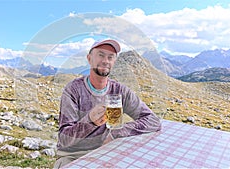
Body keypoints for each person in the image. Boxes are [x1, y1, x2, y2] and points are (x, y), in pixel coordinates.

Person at [54, 39, 161, 168]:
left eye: (110, 57)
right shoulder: (73, 90)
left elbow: (153, 121)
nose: (106, 61)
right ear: (89, 58)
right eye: (100, 55)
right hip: (74, 155)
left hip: (109, 150)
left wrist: (116, 132)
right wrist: (89, 121)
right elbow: (64, 140)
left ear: (114, 62)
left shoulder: (120, 90)